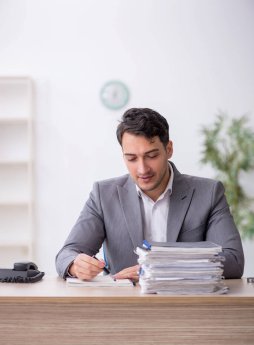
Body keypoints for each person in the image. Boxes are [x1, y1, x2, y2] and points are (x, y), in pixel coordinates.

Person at [55, 107, 244, 282]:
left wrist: (159, 267)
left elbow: (233, 261)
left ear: (168, 149)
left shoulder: (208, 193)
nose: (142, 168)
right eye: (131, 158)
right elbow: (67, 253)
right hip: (122, 308)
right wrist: (75, 264)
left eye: (152, 156)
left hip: (187, 308)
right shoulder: (103, 195)